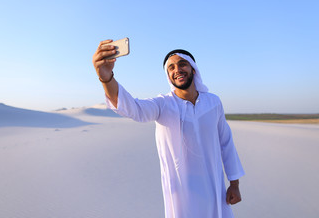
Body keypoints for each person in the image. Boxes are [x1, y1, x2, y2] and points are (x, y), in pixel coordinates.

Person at [92, 39, 245, 218]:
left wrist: (234, 184)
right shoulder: (163, 104)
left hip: (214, 189)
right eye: (171, 68)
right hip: (182, 196)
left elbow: (226, 143)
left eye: (182, 64)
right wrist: (105, 77)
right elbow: (132, 108)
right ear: (168, 75)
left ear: (193, 69)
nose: (177, 70)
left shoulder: (213, 102)